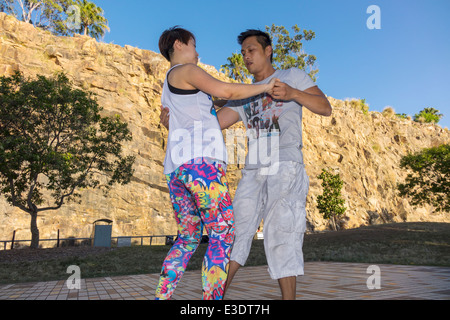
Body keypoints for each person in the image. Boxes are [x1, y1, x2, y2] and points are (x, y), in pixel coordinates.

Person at [160, 29, 332, 300]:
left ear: (268, 50)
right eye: (242, 53)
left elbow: (324, 107)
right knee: (232, 234)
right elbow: (209, 125)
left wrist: (294, 93)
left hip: (285, 164)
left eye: (251, 50)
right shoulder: (244, 93)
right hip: (253, 169)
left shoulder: (292, 76)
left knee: (281, 234)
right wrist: (178, 121)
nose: (246, 56)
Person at [154, 26, 278, 300]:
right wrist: (267, 85)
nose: (197, 53)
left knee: (187, 238)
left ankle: (161, 297)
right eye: (193, 45)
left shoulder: (169, 84)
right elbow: (226, 90)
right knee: (222, 233)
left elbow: (213, 101)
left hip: (176, 170)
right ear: (178, 44)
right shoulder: (186, 70)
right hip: (201, 166)